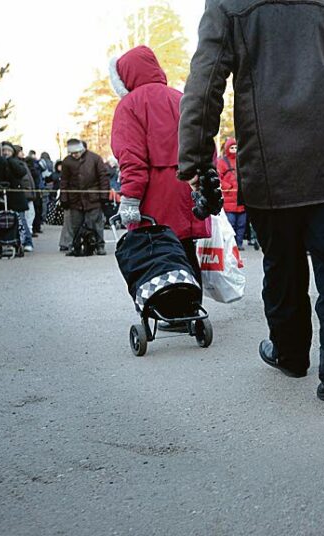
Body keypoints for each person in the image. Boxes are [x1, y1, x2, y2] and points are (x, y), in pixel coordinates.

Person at [178, 0, 324, 408]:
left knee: (282, 265)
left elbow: (205, 83)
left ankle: (291, 355)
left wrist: (195, 158)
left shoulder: (229, 4)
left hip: (268, 164)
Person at [111, 45, 211, 330]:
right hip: (186, 186)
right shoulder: (181, 98)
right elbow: (204, 143)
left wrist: (130, 198)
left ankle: (166, 308)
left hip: (154, 191)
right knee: (185, 248)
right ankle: (191, 307)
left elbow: (131, 158)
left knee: (156, 250)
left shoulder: (130, 105)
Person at [60, 139, 109, 256]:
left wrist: (104, 196)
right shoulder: (67, 162)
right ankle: (75, 246)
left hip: (93, 197)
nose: (74, 155)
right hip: (75, 198)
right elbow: (64, 181)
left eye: (76, 153)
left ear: (82, 150)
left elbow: (103, 178)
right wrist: (64, 198)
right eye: (72, 153)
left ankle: (99, 245)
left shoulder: (95, 158)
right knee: (75, 224)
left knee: (96, 224)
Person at [1, 142, 35, 252]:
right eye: (4, 150)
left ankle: (27, 241)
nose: (6, 153)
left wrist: (10, 161)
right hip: (4, 196)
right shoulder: (0, 162)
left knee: (21, 220)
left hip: (17, 196)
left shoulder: (17, 162)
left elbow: (21, 173)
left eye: (8, 151)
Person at [217, 137, 247, 250]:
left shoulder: (241, 160)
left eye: (235, 147)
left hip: (241, 200)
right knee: (231, 224)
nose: (234, 149)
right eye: (232, 147)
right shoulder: (222, 162)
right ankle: (231, 244)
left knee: (241, 225)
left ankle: (239, 244)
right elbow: (218, 177)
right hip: (229, 200)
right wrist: (228, 187)